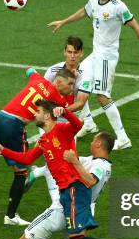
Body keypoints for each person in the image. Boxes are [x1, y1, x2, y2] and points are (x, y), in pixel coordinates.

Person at [0, 100, 139, 239]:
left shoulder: (63, 130)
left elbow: (78, 126)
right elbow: (26, 159)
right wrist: (3, 151)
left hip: (74, 190)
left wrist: (66, 112)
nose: (34, 114)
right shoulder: (43, 142)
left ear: (48, 115)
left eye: (39, 111)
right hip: (67, 194)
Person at [48, 0, 139, 150]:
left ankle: (123, 137)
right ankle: (88, 124)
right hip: (96, 54)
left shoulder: (119, 6)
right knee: (75, 79)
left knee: (102, 97)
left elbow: (135, 26)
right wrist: (63, 21)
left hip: (106, 58)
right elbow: (84, 12)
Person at [0, 132, 115, 239]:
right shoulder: (99, 163)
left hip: (63, 209)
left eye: (94, 139)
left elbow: (89, 180)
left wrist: (67, 156)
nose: (90, 142)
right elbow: (68, 158)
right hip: (82, 211)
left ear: (98, 144)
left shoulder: (99, 166)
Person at [0, 67, 75, 226]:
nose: (71, 88)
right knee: (21, 172)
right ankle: (10, 216)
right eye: (70, 84)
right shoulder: (56, 98)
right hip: (14, 125)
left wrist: (32, 72)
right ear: (58, 82)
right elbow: (69, 109)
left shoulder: (37, 79)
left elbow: (29, 70)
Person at [27, 35, 92, 204]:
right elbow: (42, 92)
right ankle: (57, 201)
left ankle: (38, 173)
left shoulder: (86, 75)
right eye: (69, 52)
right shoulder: (53, 71)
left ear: (81, 54)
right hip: (50, 121)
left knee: (66, 158)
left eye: (75, 53)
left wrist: (62, 111)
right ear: (64, 52)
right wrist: (46, 113)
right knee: (53, 156)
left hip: (70, 123)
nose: (72, 56)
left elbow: (81, 102)